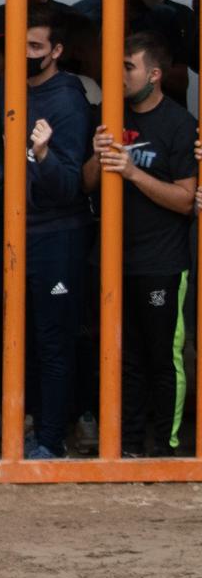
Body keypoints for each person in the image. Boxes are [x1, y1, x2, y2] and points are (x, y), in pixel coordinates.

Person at [0, 2, 96, 460]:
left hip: (57, 235)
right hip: (15, 232)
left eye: (35, 46)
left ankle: (50, 441)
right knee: (20, 336)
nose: (24, 54)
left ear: (57, 51)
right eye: (19, 45)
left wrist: (43, 156)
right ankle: (33, 432)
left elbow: (68, 185)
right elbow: (9, 157)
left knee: (53, 340)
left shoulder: (68, 100)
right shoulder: (11, 88)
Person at [88, 34, 197, 458]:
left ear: (154, 74)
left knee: (162, 360)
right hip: (114, 261)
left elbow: (186, 199)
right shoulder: (107, 115)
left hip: (162, 263)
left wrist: (133, 173)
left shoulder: (180, 124)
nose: (117, 75)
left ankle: (167, 449)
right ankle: (128, 447)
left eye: (127, 67)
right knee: (123, 359)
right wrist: (97, 157)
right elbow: (86, 184)